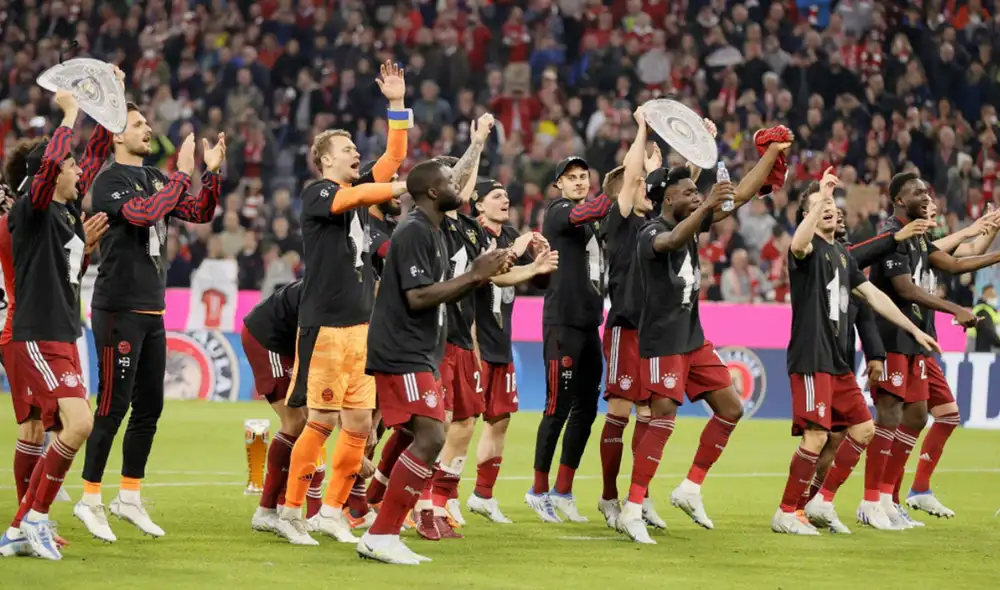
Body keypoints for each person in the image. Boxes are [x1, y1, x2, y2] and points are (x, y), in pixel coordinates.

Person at [615, 132, 789, 544]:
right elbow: (672, 241)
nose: (697, 195)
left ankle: (690, 487)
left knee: (731, 407)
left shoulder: (695, 218)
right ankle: (633, 507)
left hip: (693, 340)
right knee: (663, 422)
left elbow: (742, 195)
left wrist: (772, 155)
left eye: (698, 191)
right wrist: (708, 204)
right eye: (688, 192)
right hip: (662, 343)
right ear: (668, 199)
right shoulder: (648, 232)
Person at [76, 101, 225, 542]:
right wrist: (181, 173)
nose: (148, 129)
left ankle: (130, 496)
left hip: (152, 309)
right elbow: (144, 214)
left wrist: (210, 173)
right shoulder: (109, 182)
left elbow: (199, 212)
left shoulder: (156, 177)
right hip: (117, 307)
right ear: (117, 135)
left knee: (150, 408)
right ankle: (89, 498)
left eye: (146, 123)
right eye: (138, 124)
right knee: (111, 406)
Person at [276, 60, 410, 545]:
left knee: (358, 425)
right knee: (321, 421)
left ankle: (330, 511)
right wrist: (397, 188)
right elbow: (360, 194)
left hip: (361, 329)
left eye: (356, 148)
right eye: (347, 149)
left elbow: (394, 157)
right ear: (325, 160)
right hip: (327, 326)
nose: (357, 153)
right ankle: (292, 510)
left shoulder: (359, 192)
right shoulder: (319, 193)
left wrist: (396, 104)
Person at [358, 159, 512, 565]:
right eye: (448, 180)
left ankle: (375, 516)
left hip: (421, 350)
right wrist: (475, 275)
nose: (455, 184)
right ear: (430, 191)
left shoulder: (435, 231)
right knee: (431, 437)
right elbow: (418, 296)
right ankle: (380, 533)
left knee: (418, 436)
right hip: (402, 350)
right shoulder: (412, 230)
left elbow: (440, 293)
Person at [774, 170, 940, 536]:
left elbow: (876, 297)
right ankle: (787, 511)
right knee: (816, 437)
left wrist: (913, 328)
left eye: (833, 205)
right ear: (809, 215)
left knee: (864, 429)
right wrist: (819, 197)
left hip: (838, 362)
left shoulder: (842, 255)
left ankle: (821, 501)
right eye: (821, 207)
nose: (831, 210)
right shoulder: (806, 250)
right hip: (811, 356)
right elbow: (799, 242)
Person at [0, 91, 110, 560]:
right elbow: (45, 172)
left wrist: (111, 103)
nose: (79, 169)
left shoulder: (66, 217)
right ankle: (34, 519)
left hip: (62, 332)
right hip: (36, 334)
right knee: (77, 422)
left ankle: (22, 527)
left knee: (53, 429)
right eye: (69, 164)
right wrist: (70, 113)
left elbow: (96, 156)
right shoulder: (33, 209)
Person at [863, 172, 1000, 529]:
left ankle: (894, 497)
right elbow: (906, 290)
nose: (927, 199)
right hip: (893, 338)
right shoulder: (893, 235)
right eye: (918, 193)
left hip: (918, 341)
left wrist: (989, 236)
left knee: (920, 416)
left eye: (928, 192)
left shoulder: (921, 239)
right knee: (889, 417)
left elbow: (958, 261)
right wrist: (954, 308)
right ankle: (874, 500)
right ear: (898, 200)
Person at [419, 116, 500, 539]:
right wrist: (478, 145)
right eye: (453, 182)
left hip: (462, 338)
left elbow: (482, 285)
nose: (460, 188)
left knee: (466, 422)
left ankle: (441, 498)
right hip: (432, 340)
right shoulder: (433, 225)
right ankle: (414, 498)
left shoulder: (469, 230)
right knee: (436, 424)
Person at [466, 178, 558, 524]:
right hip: (472, 341)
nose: (506, 199)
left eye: (506, 194)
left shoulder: (510, 238)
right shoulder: (470, 235)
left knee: (499, 420)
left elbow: (537, 282)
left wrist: (540, 260)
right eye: (496, 195)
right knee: (459, 423)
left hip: (501, 343)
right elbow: (484, 274)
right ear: (478, 205)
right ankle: (434, 498)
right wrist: (518, 251)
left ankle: (483, 497)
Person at [527, 154, 612, 523]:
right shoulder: (558, 211)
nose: (579, 181)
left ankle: (563, 491)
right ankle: (538, 490)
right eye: (571, 177)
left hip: (589, 324)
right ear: (558, 185)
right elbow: (588, 211)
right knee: (556, 408)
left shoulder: (592, 224)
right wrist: (617, 184)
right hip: (561, 323)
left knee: (587, 410)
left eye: (583, 175)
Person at [597, 107, 663, 529]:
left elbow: (669, 189)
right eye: (637, 182)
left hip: (656, 333)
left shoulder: (656, 224)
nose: (644, 186)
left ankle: (641, 497)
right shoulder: (617, 221)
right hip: (625, 328)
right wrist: (641, 129)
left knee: (650, 416)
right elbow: (636, 173)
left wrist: (687, 154)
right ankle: (608, 497)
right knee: (620, 412)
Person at [242, 280, 305, 532]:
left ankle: (283, 504)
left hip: (287, 340)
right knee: (297, 421)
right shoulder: (331, 291)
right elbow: (307, 342)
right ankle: (266, 510)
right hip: (268, 338)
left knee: (310, 422)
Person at [970, 284, 1000, 351]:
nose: (994, 297)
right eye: (991, 295)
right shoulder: (982, 311)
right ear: (983, 296)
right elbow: (989, 332)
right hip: (984, 351)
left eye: (994, 294)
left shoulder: (993, 311)